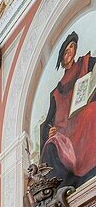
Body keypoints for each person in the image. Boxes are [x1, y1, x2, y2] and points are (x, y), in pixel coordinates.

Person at [40, 31, 96, 186]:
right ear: (61, 59)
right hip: (64, 130)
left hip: (81, 116)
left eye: (72, 47)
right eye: (66, 50)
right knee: (52, 143)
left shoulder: (86, 63)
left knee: (92, 112)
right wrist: (49, 130)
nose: (70, 51)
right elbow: (47, 124)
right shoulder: (56, 92)